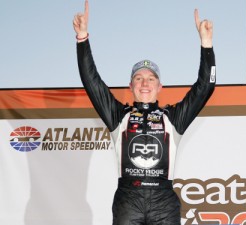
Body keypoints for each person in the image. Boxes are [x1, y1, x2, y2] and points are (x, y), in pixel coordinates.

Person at [73, 1, 216, 224]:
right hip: (128, 200)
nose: (145, 83)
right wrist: (82, 38)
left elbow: (206, 86)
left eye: (151, 78)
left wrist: (206, 45)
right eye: (138, 78)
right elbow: (91, 81)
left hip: (164, 201)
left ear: (160, 87)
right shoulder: (119, 116)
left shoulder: (173, 118)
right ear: (130, 86)